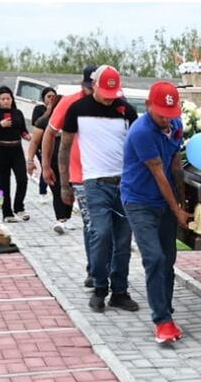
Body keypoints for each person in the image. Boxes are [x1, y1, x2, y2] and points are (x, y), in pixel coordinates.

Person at [59, 65, 140, 314]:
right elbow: (65, 147)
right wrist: (64, 183)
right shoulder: (77, 109)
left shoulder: (127, 110)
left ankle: (119, 291)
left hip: (124, 184)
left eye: (112, 93)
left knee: (123, 240)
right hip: (94, 183)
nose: (108, 97)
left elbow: (136, 146)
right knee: (101, 234)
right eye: (104, 91)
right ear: (93, 85)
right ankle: (99, 287)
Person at [121, 81, 192, 343]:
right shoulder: (141, 132)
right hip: (139, 202)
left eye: (171, 115)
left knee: (169, 260)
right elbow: (159, 175)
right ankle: (161, 320)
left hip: (165, 203)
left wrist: (182, 206)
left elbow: (175, 167)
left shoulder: (175, 126)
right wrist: (177, 210)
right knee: (154, 258)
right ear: (149, 105)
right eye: (161, 113)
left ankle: (166, 310)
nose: (166, 120)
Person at [44, 65, 97, 287]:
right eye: (88, 88)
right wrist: (46, 166)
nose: (92, 92)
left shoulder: (114, 102)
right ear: (82, 84)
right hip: (79, 174)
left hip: (108, 174)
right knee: (91, 224)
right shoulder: (69, 103)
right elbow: (49, 133)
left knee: (107, 226)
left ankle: (104, 268)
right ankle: (94, 270)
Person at [26, 92, 73, 233]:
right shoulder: (44, 121)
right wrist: (30, 160)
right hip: (51, 162)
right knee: (57, 190)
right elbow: (34, 142)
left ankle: (67, 217)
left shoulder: (71, 121)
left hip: (69, 162)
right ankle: (60, 219)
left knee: (69, 189)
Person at [0, 86, 32, 222]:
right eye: (3, 99)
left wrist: (27, 136)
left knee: (22, 179)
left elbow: (23, 129)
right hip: (0, 149)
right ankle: (7, 213)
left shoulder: (18, 113)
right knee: (5, 182)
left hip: (16, 149)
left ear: (12, 99)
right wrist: (0, 125)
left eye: (8, 98)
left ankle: (19, 207)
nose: (6, 101)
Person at [31, 87, 57, 196]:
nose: (51, 99)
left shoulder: (58, 108)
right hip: (41, 144)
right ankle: (43, 191)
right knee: (45, 165)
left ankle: (55, 189)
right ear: (43, 98)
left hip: (55, 143)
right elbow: (36, 122)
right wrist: (48, 111)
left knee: (55, 166)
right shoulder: (38, 109)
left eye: (53, 96)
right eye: (48, 96)